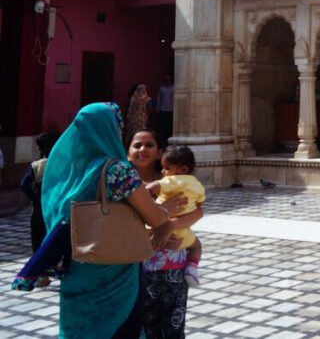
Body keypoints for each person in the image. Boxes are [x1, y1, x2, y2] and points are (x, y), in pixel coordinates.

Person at [11, 103, 179, 338]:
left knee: (81, 328)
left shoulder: (71, 169)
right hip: (115, 268)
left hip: (78, 265)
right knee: (119, 327)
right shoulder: (118, 170)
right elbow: (152, 215)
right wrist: (166, 210)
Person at [128, 128, 203, 339]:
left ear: (160, 152)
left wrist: (170, 225)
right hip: (139, 264)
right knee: (144, 322)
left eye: (149, 145)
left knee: (173, 324)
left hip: (174, 267)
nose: (143, 150)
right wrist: (158, 228)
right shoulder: (123, 182)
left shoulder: (174, 182)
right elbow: (122, 223)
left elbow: (198, 211)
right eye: (137, 145)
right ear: (127, 152)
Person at [146, 145, 204, 288]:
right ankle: (192, 267)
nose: (163, 171)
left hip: (157, 229)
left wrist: (145, 195)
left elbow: (150, 188)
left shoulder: (172, 181)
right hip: (182, 233)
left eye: (166, 168)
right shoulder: (196, 184)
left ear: (182, 170)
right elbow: (200, 204)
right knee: (196, 246)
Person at [19, 132, 60, 265]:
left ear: (41, 148)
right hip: (56, 207)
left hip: (39, 207)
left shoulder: (37, 165)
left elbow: (24, 184)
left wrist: (34, 198)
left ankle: (38, 266)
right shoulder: (61, 165)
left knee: (37, 237)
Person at [156, 75, 175, 143]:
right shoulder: (162, 89)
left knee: (170, 126)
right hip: (163, 109)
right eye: (166, 79)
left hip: (171, 109)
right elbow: (159, 99)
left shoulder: (173, 88)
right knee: (163, 126)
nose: (167, 80)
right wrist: (158, 109)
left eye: (168, 79)